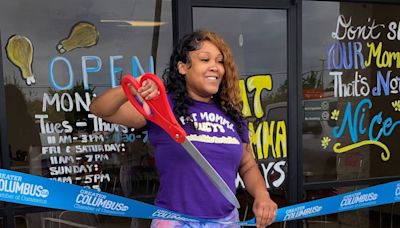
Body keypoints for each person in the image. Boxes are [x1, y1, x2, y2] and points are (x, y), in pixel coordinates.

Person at [90, 30, 277, 227]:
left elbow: (247, 164)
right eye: (205, 59)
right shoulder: (162, 107)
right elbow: (100, 109)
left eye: (220, 61)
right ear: (182, 67)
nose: (215, 67)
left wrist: (262, 195)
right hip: (176, 222)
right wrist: (131, 89)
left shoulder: (232, 115)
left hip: (226, 222)